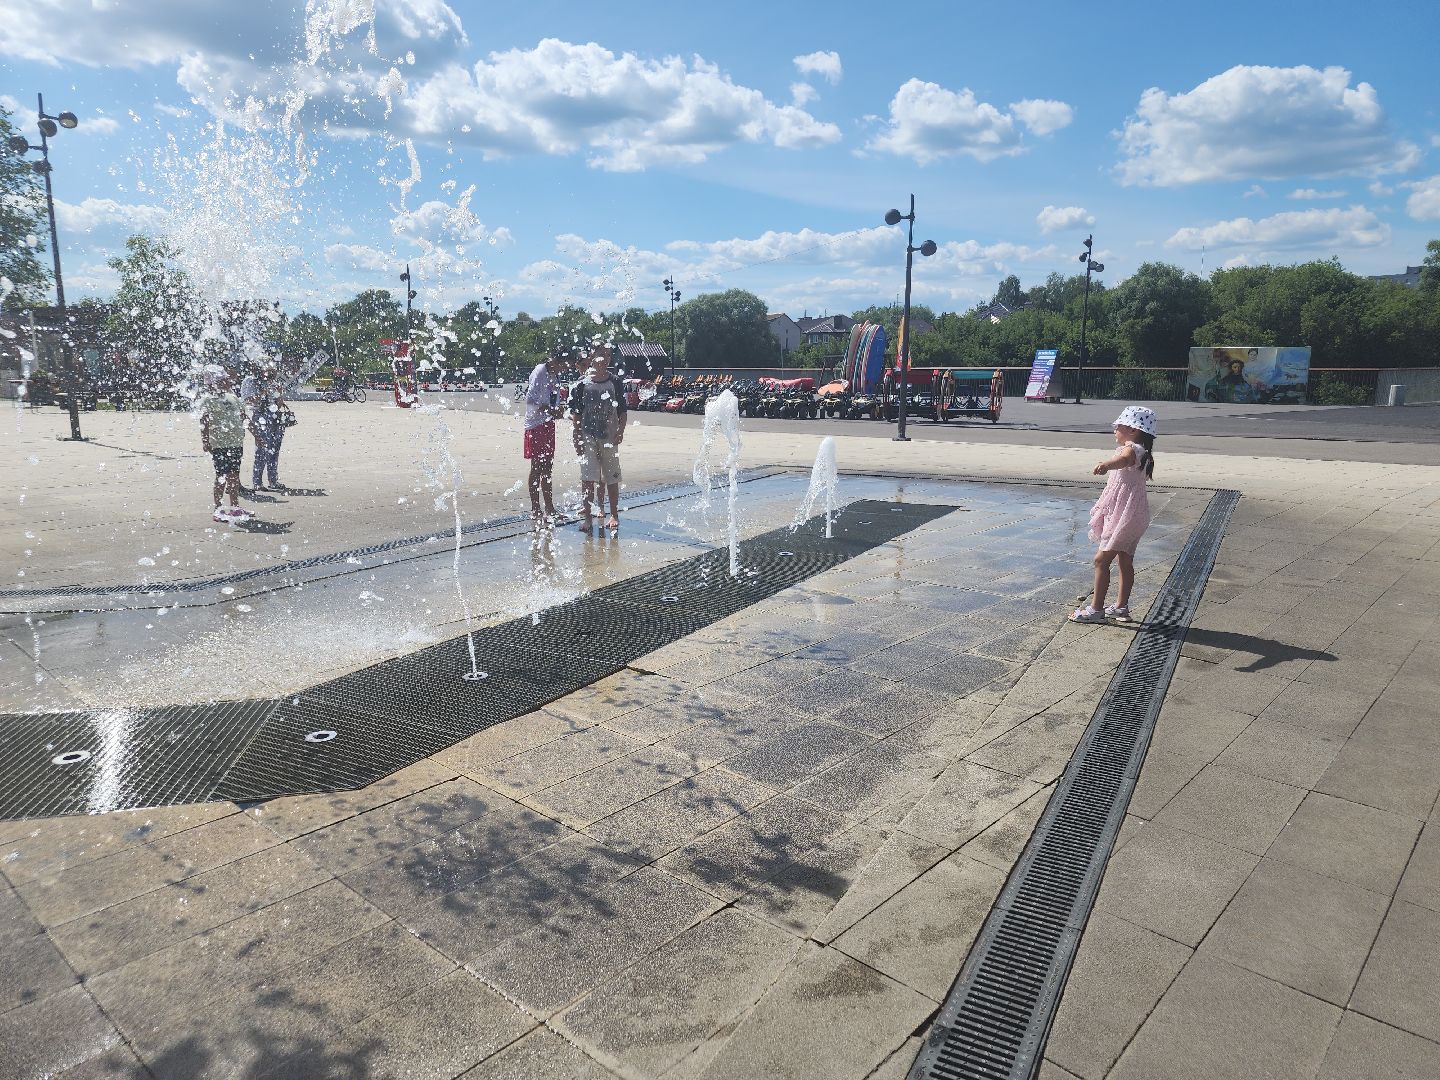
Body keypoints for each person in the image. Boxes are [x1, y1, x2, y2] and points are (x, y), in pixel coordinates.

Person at [1072, 406, 1156, 623]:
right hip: (1135, 515)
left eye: (1118, 426)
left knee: (1101, 561)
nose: (1115, 431)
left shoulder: (1131, 449)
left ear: (1133, 430)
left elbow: (1124, 459)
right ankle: (1120, 607)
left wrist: (1106, 465)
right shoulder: (1144, 453)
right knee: (1125, 561)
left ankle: (1096, 610)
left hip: (1125, 516)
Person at [569, 344, 627, 533]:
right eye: (602, 354)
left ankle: (614, 514)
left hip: (609, 435)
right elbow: (577, 415)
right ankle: (587, 518)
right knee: (587, 478)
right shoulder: (581, 383)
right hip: (588, 436)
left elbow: (622, 410)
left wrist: (621, 431)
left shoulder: (615, 381)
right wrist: (576, 437)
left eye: (609, 354)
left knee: (611, 477)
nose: (607, 357)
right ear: (592, 355)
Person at [523, 348, 571, 527]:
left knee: (548, 468)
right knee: (536, 467)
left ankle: (550, 508)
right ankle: (535, 508)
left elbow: (553, 399)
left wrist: (558, 411)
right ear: (554, 360)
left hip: (548, 424)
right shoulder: (540, 371)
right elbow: (531, 400)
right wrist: (552, 410)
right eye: (563, 364)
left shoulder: (555, 375)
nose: (565, 369)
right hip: (535, 425)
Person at [198, 366, 252, 523]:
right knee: (221, 477)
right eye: (223, 379)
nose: (228, 381)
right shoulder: (207, 400)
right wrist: (205, 441)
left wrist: (257, 436)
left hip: (235, 443)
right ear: (213, 383)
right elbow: (204, 421)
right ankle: (218, 509)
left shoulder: (232, 397)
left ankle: (235, 508)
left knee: (234, 477)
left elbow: (243, 417)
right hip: (220, 445)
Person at [248, 362, 288, 491]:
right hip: (260, 417)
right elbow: (250, 401)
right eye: (270, 370)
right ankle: (257, 482)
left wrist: (280, 394)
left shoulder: (274, 384)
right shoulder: (251, 382)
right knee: (262, 449)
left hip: (275, 418)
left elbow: (278, 405)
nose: (273, 373)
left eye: (274, 371)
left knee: (274, 450)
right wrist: (264, 391)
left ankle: (273, 480)